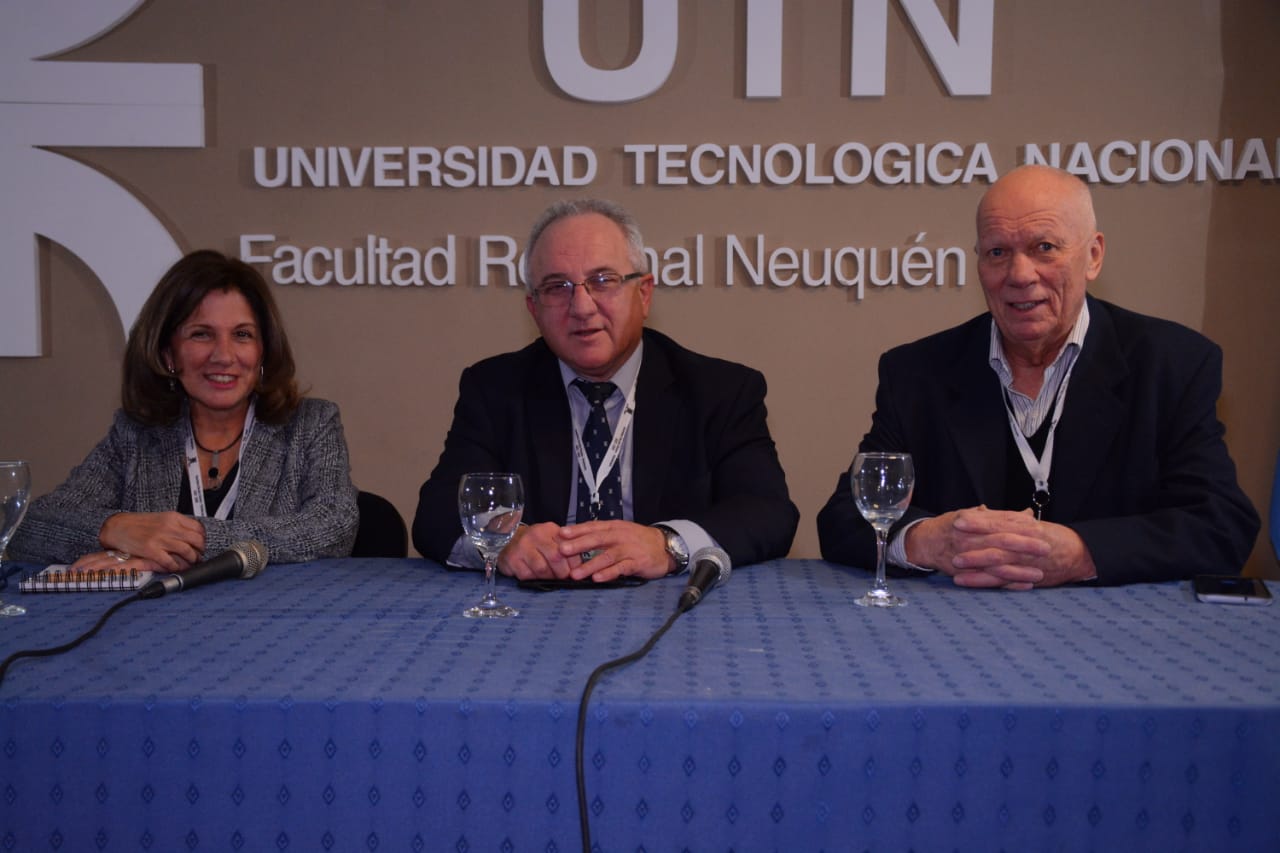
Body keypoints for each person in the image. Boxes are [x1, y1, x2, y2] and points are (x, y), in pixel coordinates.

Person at [817, 164, 1258, 587]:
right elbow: (844, 517)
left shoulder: (1172, 365)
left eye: (1044, 247)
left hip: (1111, 629)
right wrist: (927, 540)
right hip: (953, 624)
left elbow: (1220, 524)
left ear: (1093, 256)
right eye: (997, 252)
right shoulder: (917, 372)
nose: (1020, 275)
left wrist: (1082, 553)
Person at [414, 198, 798, 581]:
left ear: (643, 294)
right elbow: (438, 511)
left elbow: (767, 511)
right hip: (534, 605)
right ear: (534, 309)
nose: (582, 307)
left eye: (602, 281)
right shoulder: (495, 388)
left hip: (666, 603)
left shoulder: (721, 391)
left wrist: (669, 544)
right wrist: (506, 538)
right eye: (557, 287)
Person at [10, 250, 358, 570]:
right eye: (201, 334)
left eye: (242, 335)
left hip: (274, 611)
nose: (223, 355)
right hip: (155, 614)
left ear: (263, 351)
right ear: (168, 354)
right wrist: (115, 529)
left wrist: (184, 543)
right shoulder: (136, 434)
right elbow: (28, 527)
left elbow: (334, 527)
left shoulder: (310, 424)